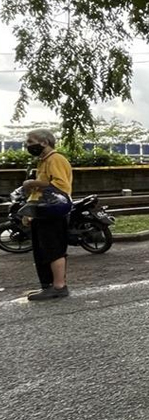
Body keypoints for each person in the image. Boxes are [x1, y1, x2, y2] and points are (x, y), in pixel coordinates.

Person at [22, 129, 73, 301]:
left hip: (52, 211)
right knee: (42, 249)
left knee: (53, 249)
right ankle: (49, 285)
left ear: (44, 142)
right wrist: (30, 211)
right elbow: (39, 191)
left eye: (31, 142)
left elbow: (61, 185)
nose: (28, 145)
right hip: (42, 211)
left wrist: (32, 182)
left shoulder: (56, 159)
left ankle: (59, 286)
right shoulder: (43, 161)